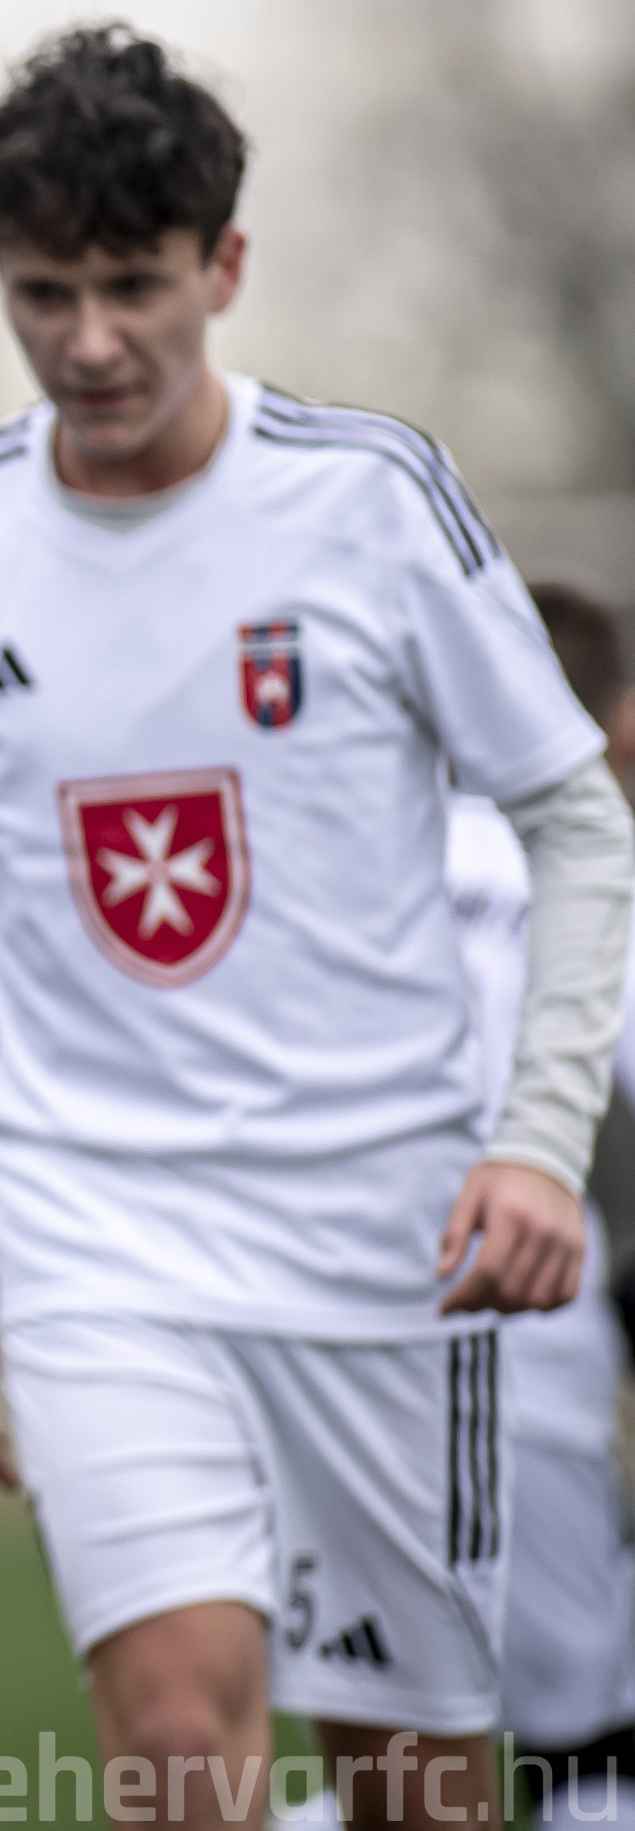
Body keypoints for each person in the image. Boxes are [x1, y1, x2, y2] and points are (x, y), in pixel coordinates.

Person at [0, 26, 635, 1826]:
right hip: (97, 1231)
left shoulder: (370, 501)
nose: (89, 340)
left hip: (385, 1235)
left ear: (226, 264)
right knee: (176, 1737)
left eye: (134, 285)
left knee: (412, 1786)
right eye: (44, 293)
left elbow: (576, 817)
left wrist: (536, 1141)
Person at [442, 585, 635, 1821]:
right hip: (533, 1354)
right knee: (586, 1748)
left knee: (399, 1746)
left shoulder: (353, 853)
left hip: (323, 1352)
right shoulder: (587, 871)